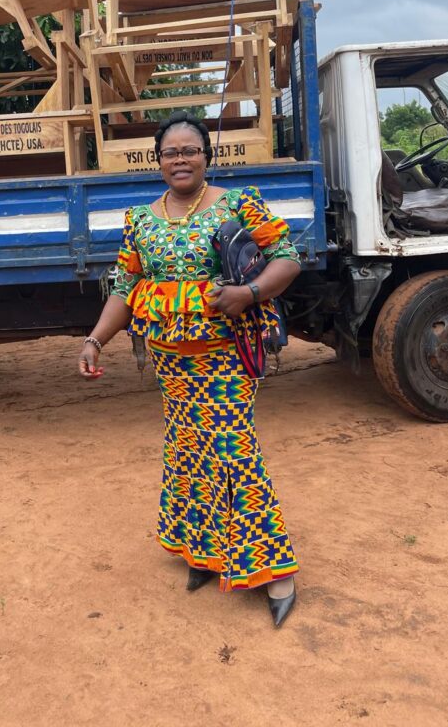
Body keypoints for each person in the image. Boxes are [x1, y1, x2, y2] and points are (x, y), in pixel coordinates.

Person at [78, 111, 302, 627]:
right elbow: (125, 288)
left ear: (207, 156)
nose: (180, 159)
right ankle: (203, 553)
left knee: (234, 452)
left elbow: (287, 256)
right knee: (187, 452)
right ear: (158, 161)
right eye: (170, 152)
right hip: (171, 363)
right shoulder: (140, 219)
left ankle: (274, 570)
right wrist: (95, 339)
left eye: (190, 150)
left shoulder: (239, 204)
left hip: (225, 357)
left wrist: (249, 293)